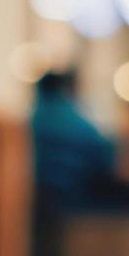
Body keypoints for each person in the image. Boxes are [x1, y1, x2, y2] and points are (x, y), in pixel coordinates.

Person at [31, 70, 118, 210]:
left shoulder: (31, 119)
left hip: (34, 198)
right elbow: (105, 158)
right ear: (65, 89)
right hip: (74, 197)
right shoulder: (76, 121)